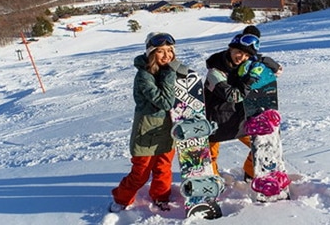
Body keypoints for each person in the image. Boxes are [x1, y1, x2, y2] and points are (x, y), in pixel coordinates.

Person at [109, 32, 187, 213]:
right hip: (147, 132)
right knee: (140, 173)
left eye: (170, 51)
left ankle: (161, 196)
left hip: (168, 129)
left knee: (163, 168)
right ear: (151, 53)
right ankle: (121, 198)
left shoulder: (168, 70)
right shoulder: (144, 76)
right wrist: (170, 72)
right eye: (161, 51)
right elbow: (165, 102)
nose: (167, 55)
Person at [204, 25, 283, 181]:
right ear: (230, 49)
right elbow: (234, 96)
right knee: (210, 154)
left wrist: (262, 60)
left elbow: (278, 71)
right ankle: (211, 180)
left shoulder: (247, 66)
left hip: (240, 117)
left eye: (246, 55)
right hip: (216, 118)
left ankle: (250, 171)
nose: (241, 57)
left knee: (263, 145)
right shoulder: (215, 71)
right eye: (238, 52)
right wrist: (250, 79)